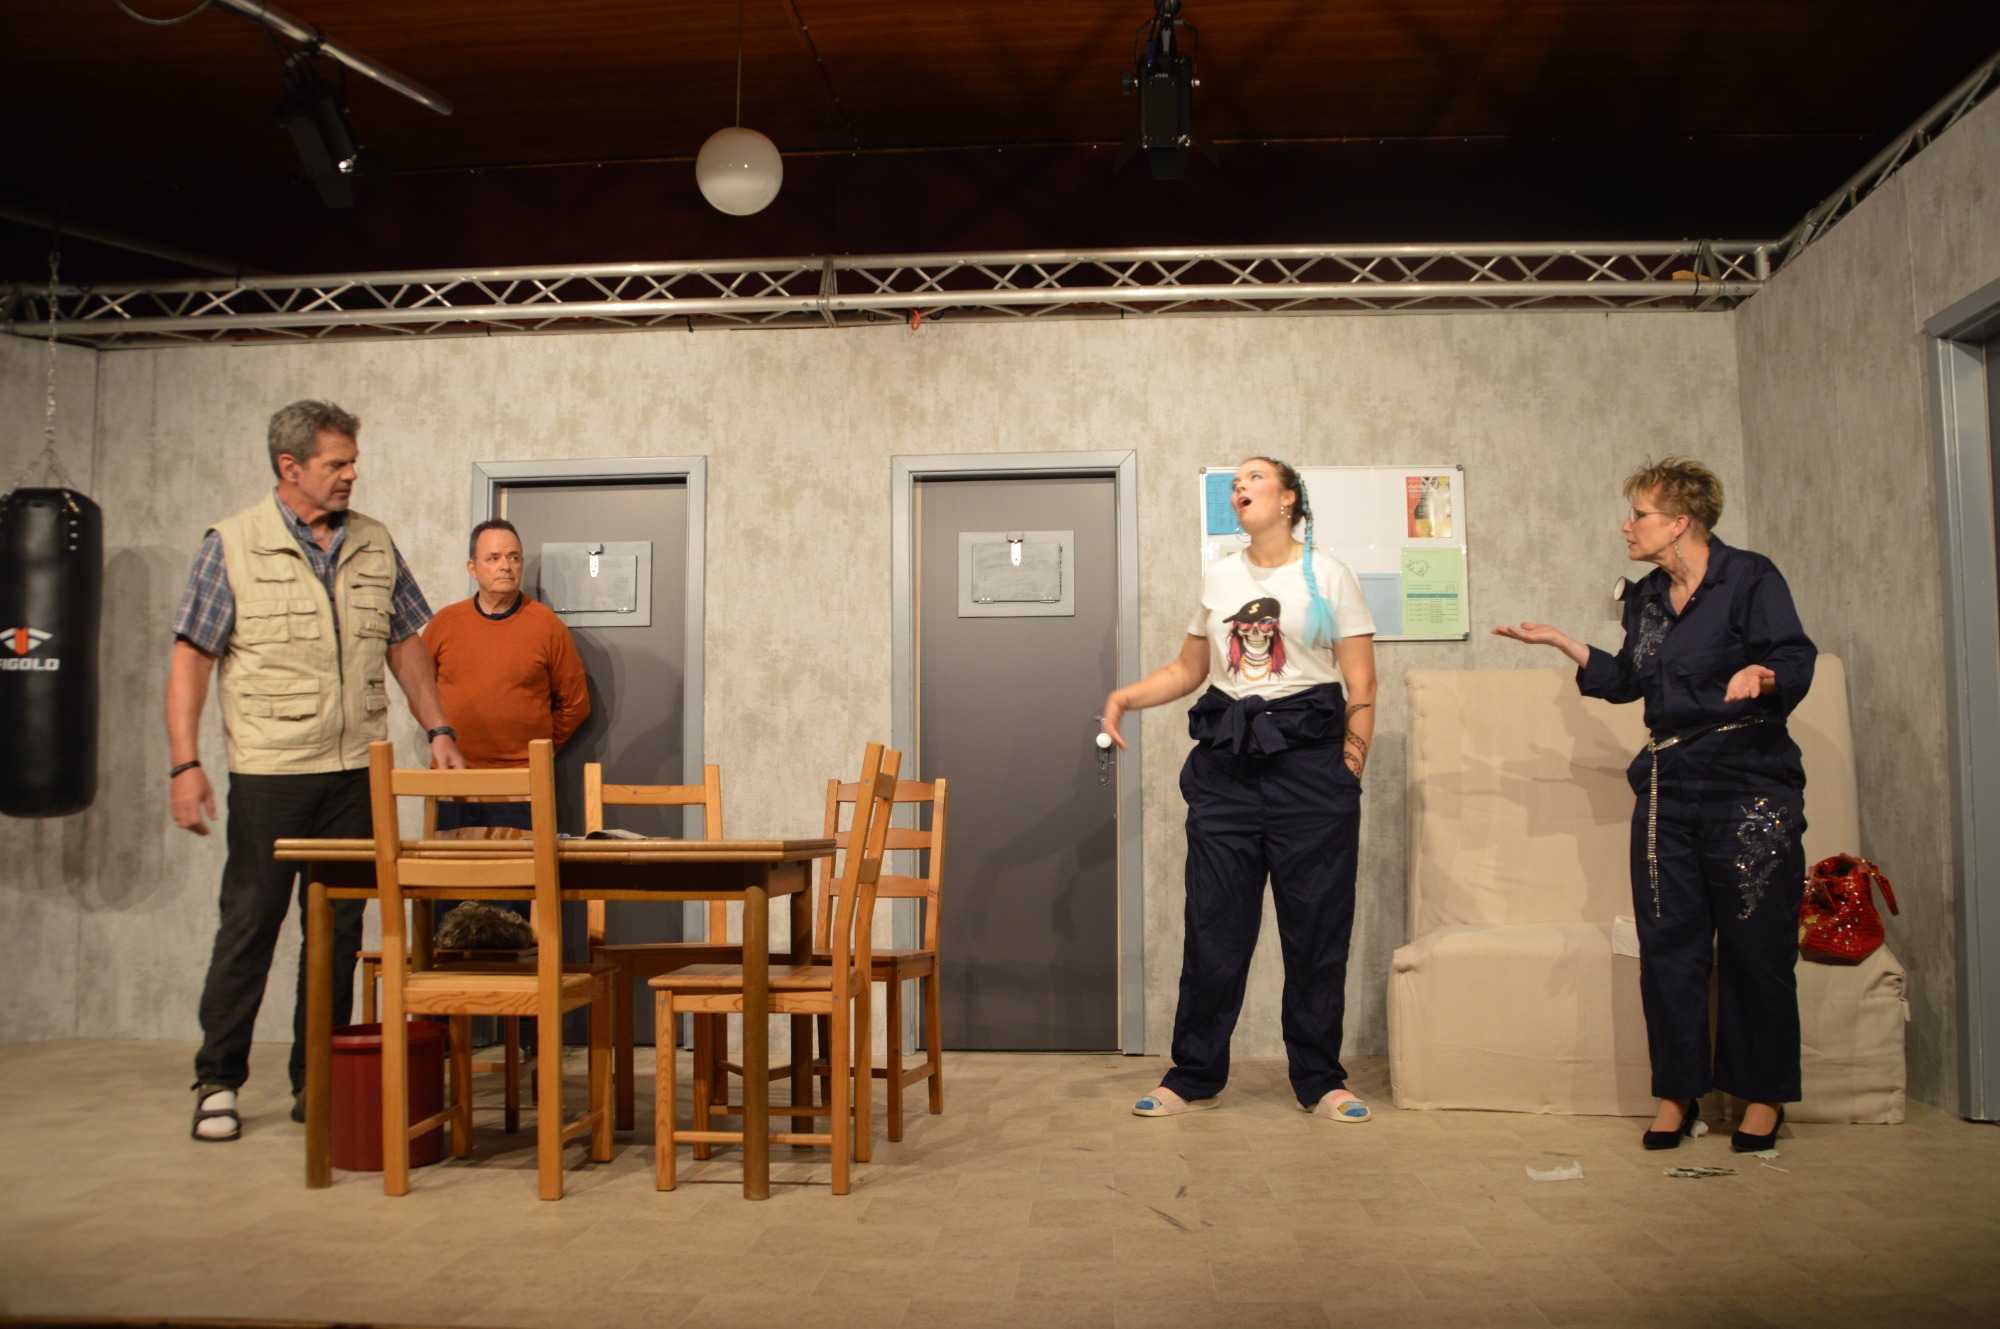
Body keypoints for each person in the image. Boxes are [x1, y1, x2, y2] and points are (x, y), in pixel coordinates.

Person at [1494, 456, 1816, 1153]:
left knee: (1756, 946)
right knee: (1669, 945)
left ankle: (1762, 1096)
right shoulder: (1645, 597)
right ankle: (1678, 1093)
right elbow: (1628, 680)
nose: (1626, 525)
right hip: (1669, 788)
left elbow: (1795, 659)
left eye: (1638, 514)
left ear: (1680, 521)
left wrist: (1761, 674)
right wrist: (1565, 644)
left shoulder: (1750, 578)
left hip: (1748, 785)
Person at [169, 400, 467, 1142]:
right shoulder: (232, 545)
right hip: (271, 772)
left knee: (335, 929)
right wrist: (185, 762)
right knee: (250, 923)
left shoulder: (374, 542)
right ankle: (218, 1080)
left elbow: (405, 643)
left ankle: (318, 1080)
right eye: (337, 463)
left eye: (352, 461)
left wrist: (438, 727)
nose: (350, 474)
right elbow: (192, 657)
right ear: (290, 467)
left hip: (355, 772)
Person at [1102, 456, 1378, 1122]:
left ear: (1288, 499)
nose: (1240, 489)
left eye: (1254, 479)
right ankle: (1194, 1075)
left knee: (1316, 931)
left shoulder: (1330, 575)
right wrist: (1124, 698)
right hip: (1228, 771)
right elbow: (1188, 668)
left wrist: (1349, 769)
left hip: (1311, 773)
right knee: (1213, 927)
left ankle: (1321, 1079)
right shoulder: (1222, 575)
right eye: (1234, 484)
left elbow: (1362, 683)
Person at [421, 519, 591, 831]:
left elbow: (576, 703)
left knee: (524, 862)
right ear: (472, 568)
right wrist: (439, 736)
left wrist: (540, 751)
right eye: (493, 558)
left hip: (524, 782)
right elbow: (419, 691)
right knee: (450, 862)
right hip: (453, 776)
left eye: (513, 557)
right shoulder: (444, 624)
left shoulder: (547, 626)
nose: (505, 566)